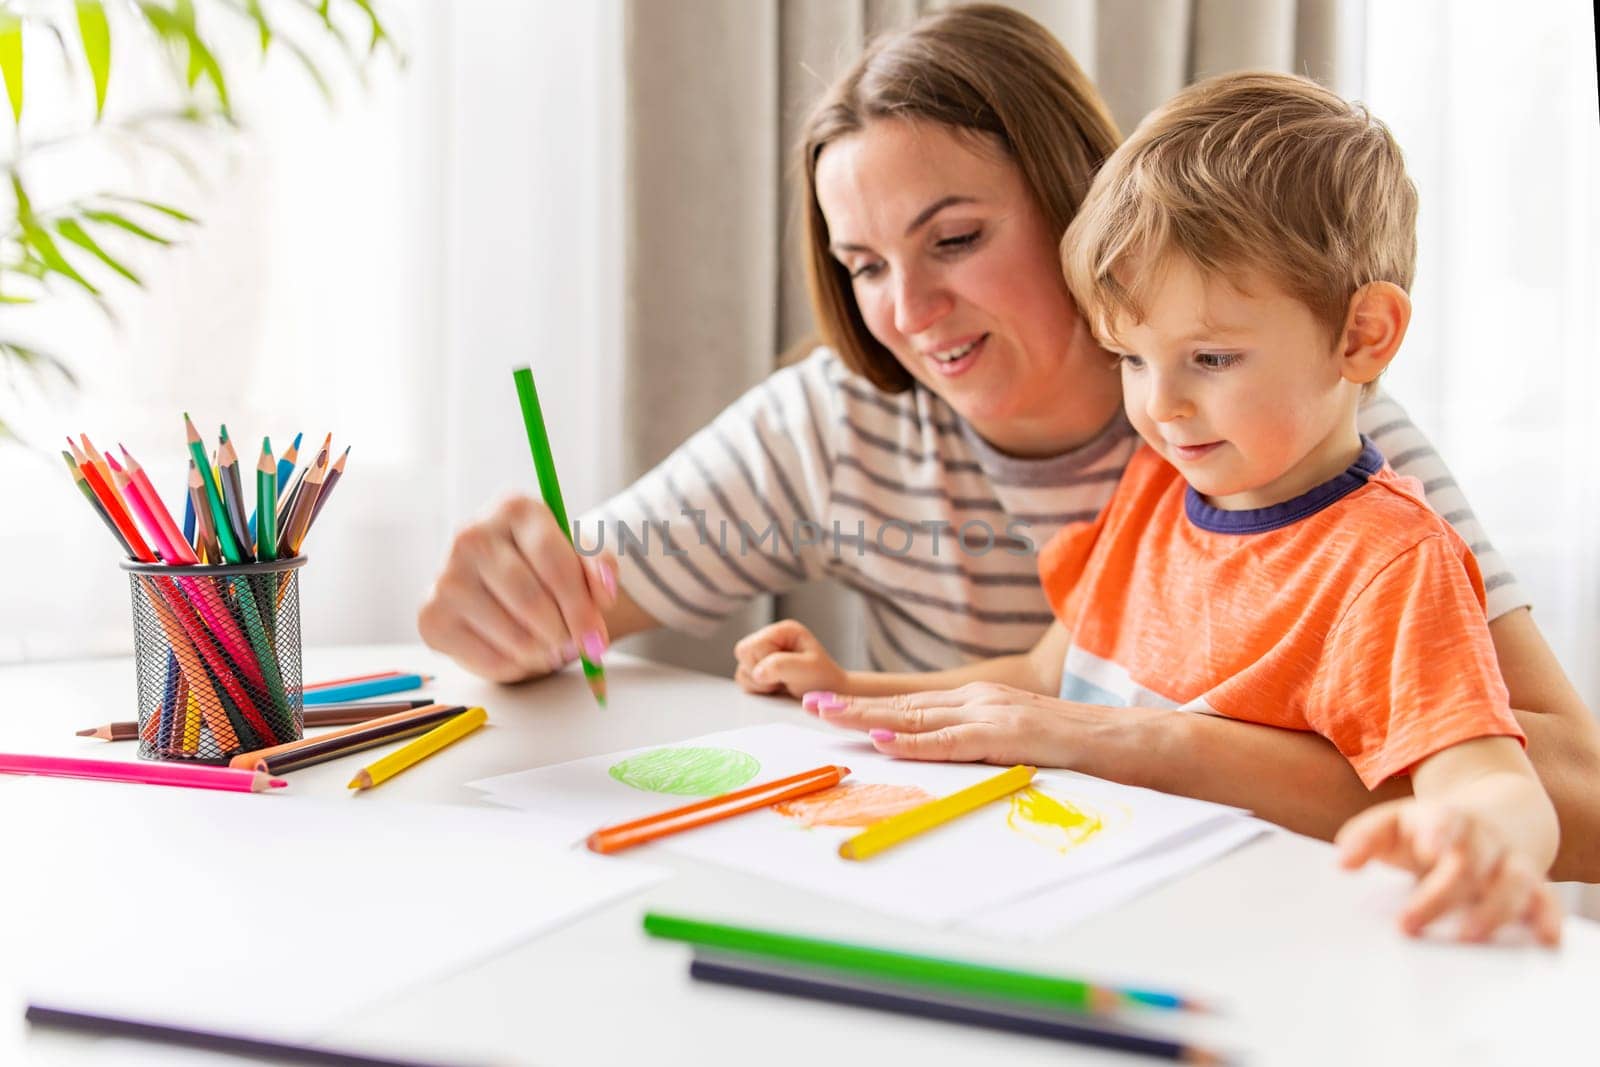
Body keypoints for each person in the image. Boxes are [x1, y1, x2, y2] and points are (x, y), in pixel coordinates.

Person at [416, 4, 1600, 880]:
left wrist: (1113, 739)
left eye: (958, 238)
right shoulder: (848, 421)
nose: (909, 312)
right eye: (862, 265)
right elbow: (574, 604)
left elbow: (1569, 800)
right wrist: (515, 595)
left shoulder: (1306, 435)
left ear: (1079, 202)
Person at [738, 71, 1563, 943]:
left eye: (1209, 359)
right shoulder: (1162, 485)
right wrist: (848, 688)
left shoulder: (1390, 561)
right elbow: (1042, 681)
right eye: (1131, 358)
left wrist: (1475, 834)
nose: (1159, 406)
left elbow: (1494, 781)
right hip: (1084, 908)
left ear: (1362, 336)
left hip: (1249, 943)